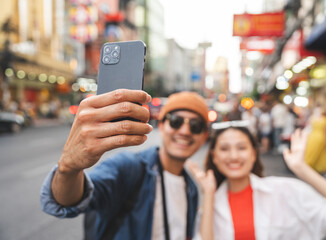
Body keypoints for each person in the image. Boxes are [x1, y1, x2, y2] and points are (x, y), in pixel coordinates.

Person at [40, 90, 209, 240]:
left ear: (204, 136)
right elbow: (69, 202)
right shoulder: (130, 167)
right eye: (176, 121)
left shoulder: (192, 189)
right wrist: (69, 168)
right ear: (162, 125)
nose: (185, 132)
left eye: (196, 126)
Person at [188, 121, 326, 240]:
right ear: (214, 157)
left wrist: (303, 169)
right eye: (224, 149)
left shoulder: (284, 191)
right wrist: (208, 194)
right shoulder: (212, 205)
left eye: (241, 148)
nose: (233, 156)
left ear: (254, 154)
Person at [304, 105, 326, 174]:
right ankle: (319, 167)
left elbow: (308, 128)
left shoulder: (312, 118)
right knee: (321, 153)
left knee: (312, 151)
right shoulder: (325, 119)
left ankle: (308, 165)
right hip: (321, 137)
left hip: (313, 137)